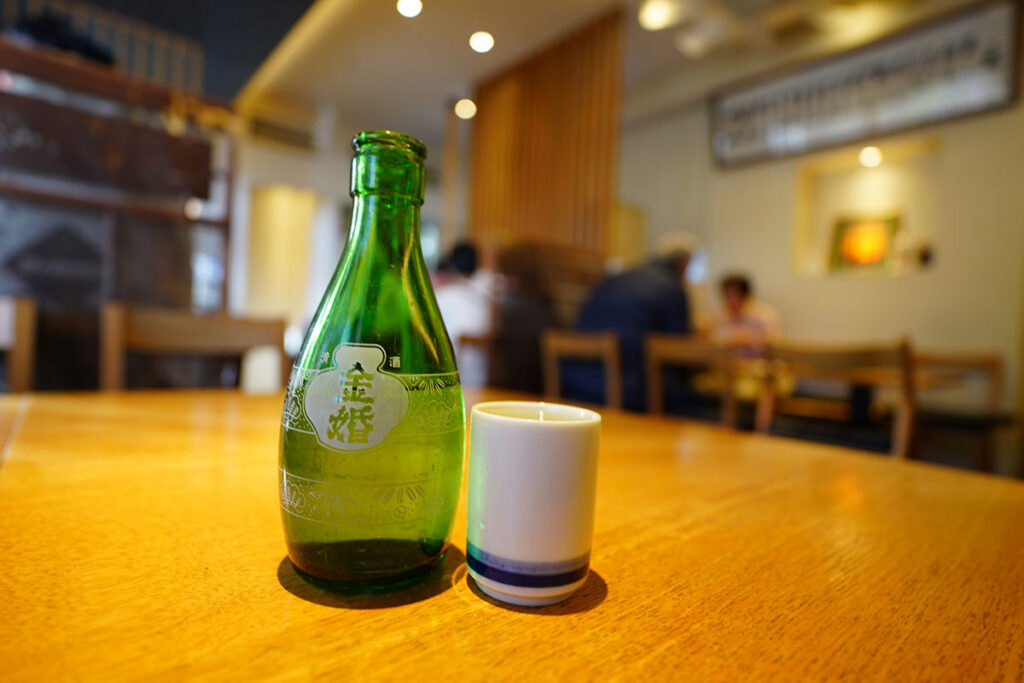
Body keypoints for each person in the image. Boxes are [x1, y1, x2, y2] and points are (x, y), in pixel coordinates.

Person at [563, 233, 695, 412]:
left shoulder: (614, 278)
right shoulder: (672, 287)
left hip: (575, 384)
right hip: (631, 393)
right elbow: (680, 350)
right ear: (683, 264)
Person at [433, 242, 494, 387]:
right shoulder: (488, 295)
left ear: (451, 267)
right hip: (486, 381)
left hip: (453, 383)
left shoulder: (443, 297)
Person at [709, 274, 781, 351]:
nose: (730, 301)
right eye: (726, 296)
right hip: (728, 357)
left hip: (758, 357)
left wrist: (751, 339)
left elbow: (776, 340)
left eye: (733, 295)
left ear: (746, 295)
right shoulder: (721, 315)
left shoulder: (764, 314)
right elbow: (714, 338)